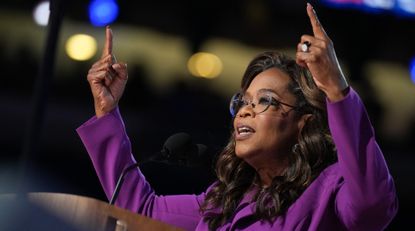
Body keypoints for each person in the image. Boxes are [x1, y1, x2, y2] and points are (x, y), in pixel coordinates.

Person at [77, 3, 397, 230]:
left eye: (265, 101)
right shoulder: (223, 202)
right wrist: (107, 111)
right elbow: (140, 210)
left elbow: (373, 206)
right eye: (242, 101)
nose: (245, 109)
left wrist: (337, 90)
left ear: (304, 123)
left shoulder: (329, 191)